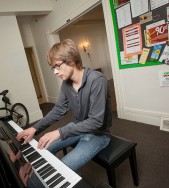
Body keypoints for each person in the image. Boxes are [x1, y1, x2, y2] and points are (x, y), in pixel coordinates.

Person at [17, 39, 112, 172]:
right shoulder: (66, 84)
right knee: (41, 150)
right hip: (77, 126)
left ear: (71, 60)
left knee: (61, 169)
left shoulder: (97, 80)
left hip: (98, 134)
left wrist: (59, 132)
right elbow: (58, 110)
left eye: (58, 66)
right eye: (53, 68)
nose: (55, 72)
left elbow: (96, 122)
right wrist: (35, 128)